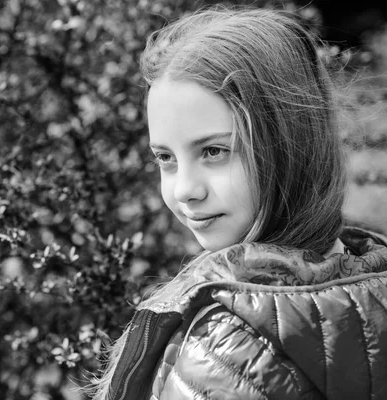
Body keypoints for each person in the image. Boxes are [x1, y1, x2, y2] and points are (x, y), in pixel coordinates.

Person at [91, 6, 387, 400]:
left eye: (214, 151)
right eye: (165, 158)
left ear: (289, 146)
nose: (184, 190)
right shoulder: (368, 276)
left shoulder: (227, 346)